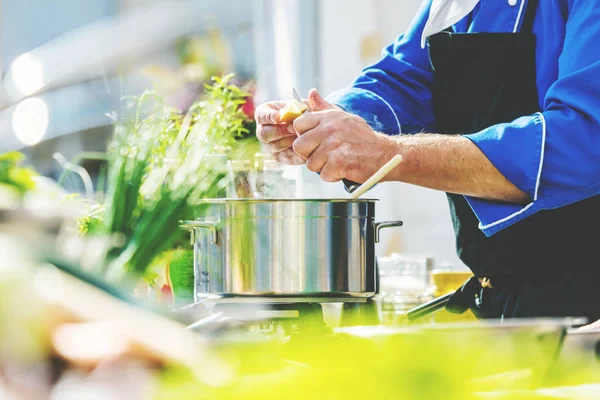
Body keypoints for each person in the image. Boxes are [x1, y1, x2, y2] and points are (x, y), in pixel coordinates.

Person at [254, 0, 600, 323]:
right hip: (503, 295)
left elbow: (582, 140)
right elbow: (405, 79)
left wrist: (387, 154)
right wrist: (328, 122)